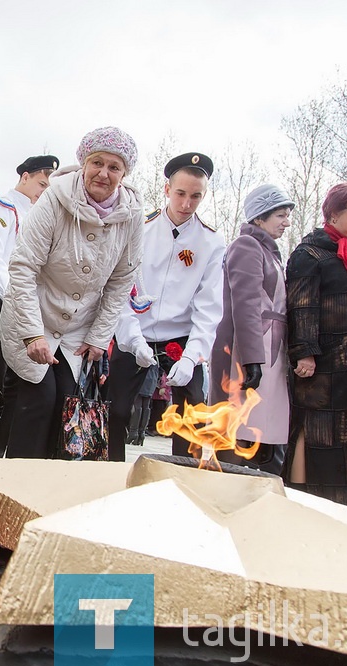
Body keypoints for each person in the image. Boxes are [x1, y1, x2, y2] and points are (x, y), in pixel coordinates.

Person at [0, 127, 143, 458]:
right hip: (34, 314)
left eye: (114, 167)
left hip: (79, 328)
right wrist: (33, 333)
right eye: (97, 163)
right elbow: (23, 267)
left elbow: (122, 279)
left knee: (70, 407)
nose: (103, 173)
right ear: (83, 163)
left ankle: (53, 491)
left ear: (124, 174)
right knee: (38, 400)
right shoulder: (55, 198)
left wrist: (99, 335)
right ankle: (15, 487)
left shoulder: (132, 214)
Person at [109, 152, 225, 461]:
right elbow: (121, 287)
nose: (187, 204)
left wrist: (193, 357)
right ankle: (110, 471)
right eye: (181, 194)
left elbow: (209, 307)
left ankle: (181, 478)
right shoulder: (139, 228)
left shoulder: (212, 241)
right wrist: (132, 338)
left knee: (192, 415)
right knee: (116, 409)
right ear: (166, 190)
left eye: (196, 196)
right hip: (137, 329)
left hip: (181, 335)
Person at [285, 181, 347, 509]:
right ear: (335, 211)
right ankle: (302, 499)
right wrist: (305, 351)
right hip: (324, 365)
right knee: (316, 430)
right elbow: (302, 306)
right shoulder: (309, 253)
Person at [209, 184, 295, 474]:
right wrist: (251, 360)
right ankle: (229, 485)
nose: (286, 222)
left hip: (268, 346)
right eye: (280, 215)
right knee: (241, 424)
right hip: (249, 347)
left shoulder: (269, 251)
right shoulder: (247, 246)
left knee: (258, 425)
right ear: (260, 217)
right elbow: (244, 304)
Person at [0, 154, 58, 442]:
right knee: (0, 384)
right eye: (40, 183)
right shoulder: (4, 208)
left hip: (31, 312)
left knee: (18, 385)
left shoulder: (39, 212)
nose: (43, 191)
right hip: (3, 304)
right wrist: (17, 298)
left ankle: (6, 444)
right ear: (24, 177)